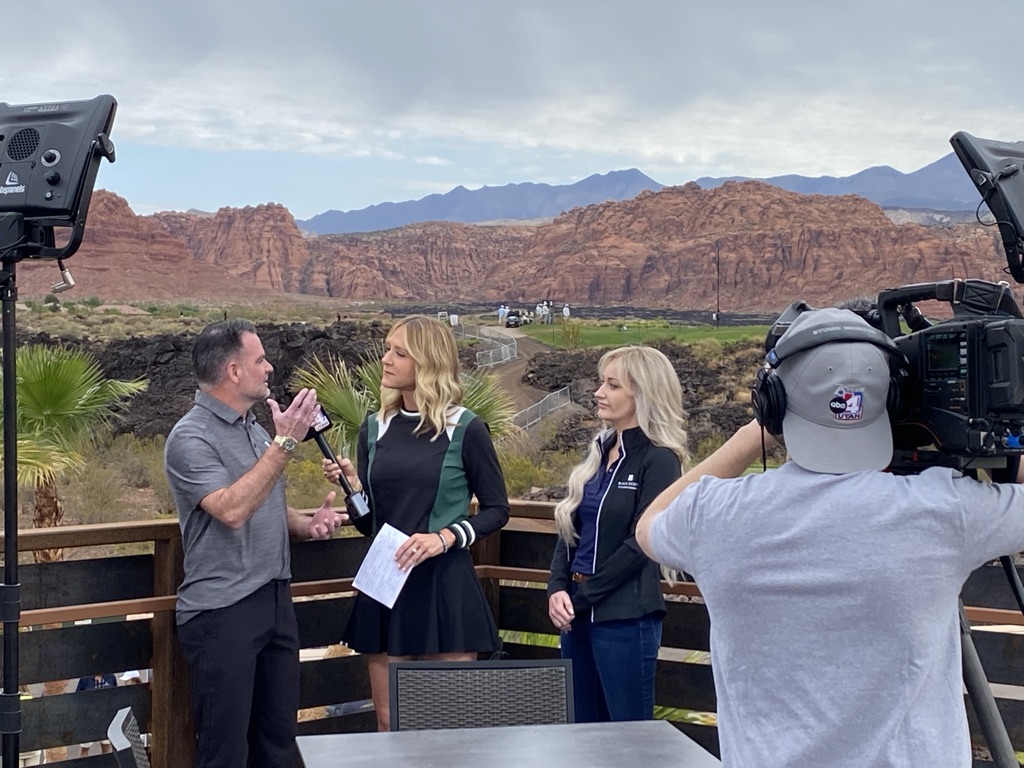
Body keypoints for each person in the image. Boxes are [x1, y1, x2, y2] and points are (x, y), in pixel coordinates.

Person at [636, 307, 1024, 768]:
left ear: (773, 403)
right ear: (890, 402)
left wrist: (751, 436)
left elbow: (648, 524)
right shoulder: (941, 511)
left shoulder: (714, 513)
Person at [165, 318, 346, 768]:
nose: (269, 368)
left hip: (274, 602)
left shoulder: (255, 429)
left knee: (278, 745)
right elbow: (230, 508)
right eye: (260, 360)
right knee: (226, 752)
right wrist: (285, 443)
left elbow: (262, 503)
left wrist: (307, 524)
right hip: (222, 614)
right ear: (233, 371)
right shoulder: (190, 438)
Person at [323, 314, 510, 731]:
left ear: (428, 363)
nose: (385, 360)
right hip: (385, 583)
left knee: (447, 727)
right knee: (390, 724)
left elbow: (498, 508)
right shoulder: (374, 427)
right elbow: (370, 526)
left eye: (399, 352)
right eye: (388, 349)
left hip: (444, 586)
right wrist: (353, 485)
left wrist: (443, 538)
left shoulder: (465, 428)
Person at [547, 346, 688, 723]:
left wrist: (583, 597)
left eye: (612, 385)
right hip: (576, 615)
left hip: (625, 619)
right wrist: (558, 588)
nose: (598, 392)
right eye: (601, 382)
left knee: (626, 740)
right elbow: (570, 526)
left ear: (643, 394)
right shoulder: (600, 450)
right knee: (580, 733)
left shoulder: (659, 459)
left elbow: (640, 544)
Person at [75, 673, 118, 757]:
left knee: (106, 747)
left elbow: (115, 696)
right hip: (88, 720)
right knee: (84, 748)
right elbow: (77, 697)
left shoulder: (111, 677)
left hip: (105, 719)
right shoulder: (85, 678)